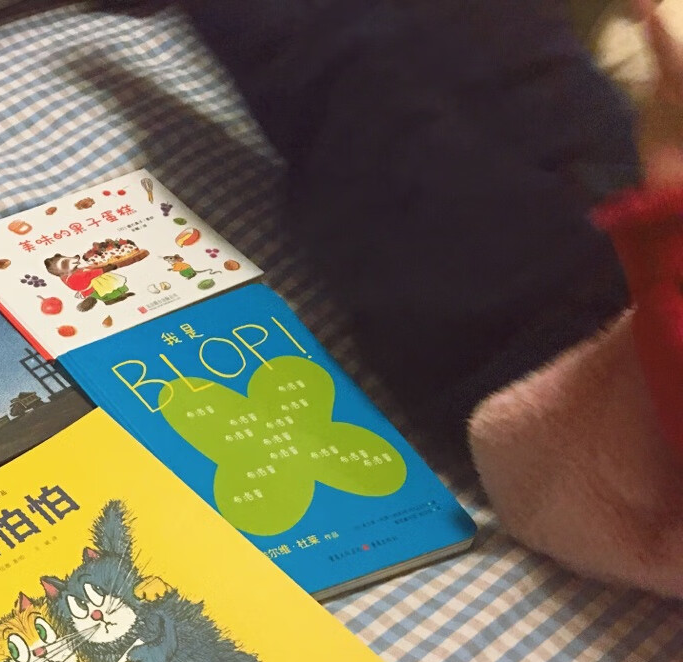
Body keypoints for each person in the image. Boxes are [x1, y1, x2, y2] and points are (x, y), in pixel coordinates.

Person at [183, 0, 683, 597]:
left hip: (566, 386)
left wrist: (667, 191)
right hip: (616, 308)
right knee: (499, 45)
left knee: (360, 82)